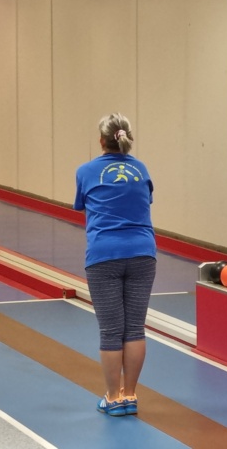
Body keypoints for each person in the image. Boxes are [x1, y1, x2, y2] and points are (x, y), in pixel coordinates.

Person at [74, 113, 156, 417]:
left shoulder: (86, 171)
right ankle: (130, 396)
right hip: (143, 253)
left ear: (101, 141)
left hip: (104, 254)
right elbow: (144, 201)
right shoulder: (141, 168)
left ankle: (112, 398)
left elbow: (82, 205)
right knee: (134, 328)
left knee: (111, 331)